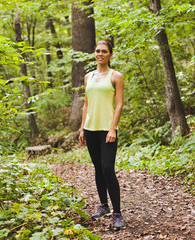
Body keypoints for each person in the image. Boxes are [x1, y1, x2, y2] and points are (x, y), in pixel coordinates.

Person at [78, 39, 126, 230]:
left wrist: (113, 128)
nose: (100, 54)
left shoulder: (116, 76)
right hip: (90, 129)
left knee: (107, 168)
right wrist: (82, 128)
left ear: (110, 55)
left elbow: (120, 104)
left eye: (104, 51)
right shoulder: (88, 77)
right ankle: (104, 206)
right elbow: (86, 104)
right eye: (97, 51)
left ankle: (117, 214)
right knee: (98, 168)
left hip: (107, 129)